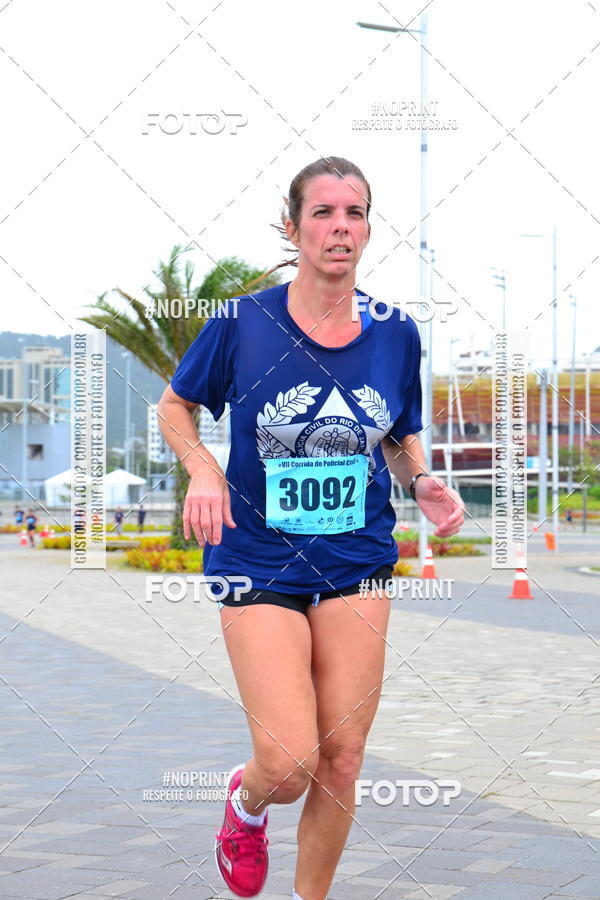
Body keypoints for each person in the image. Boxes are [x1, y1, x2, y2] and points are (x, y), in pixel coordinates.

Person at [158, 156, 465, 900]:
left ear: (367, 229)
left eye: (354, 213)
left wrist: (418, 479)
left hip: (356, 555)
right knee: (289, 762)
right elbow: (175, 408)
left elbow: (393, 434)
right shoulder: (242, 323)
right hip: (259, 560)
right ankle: (246, 801)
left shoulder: (396, 333)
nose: (340, 228)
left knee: (343, 758)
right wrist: (203, 469)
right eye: (323, 213)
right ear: (293, 227)